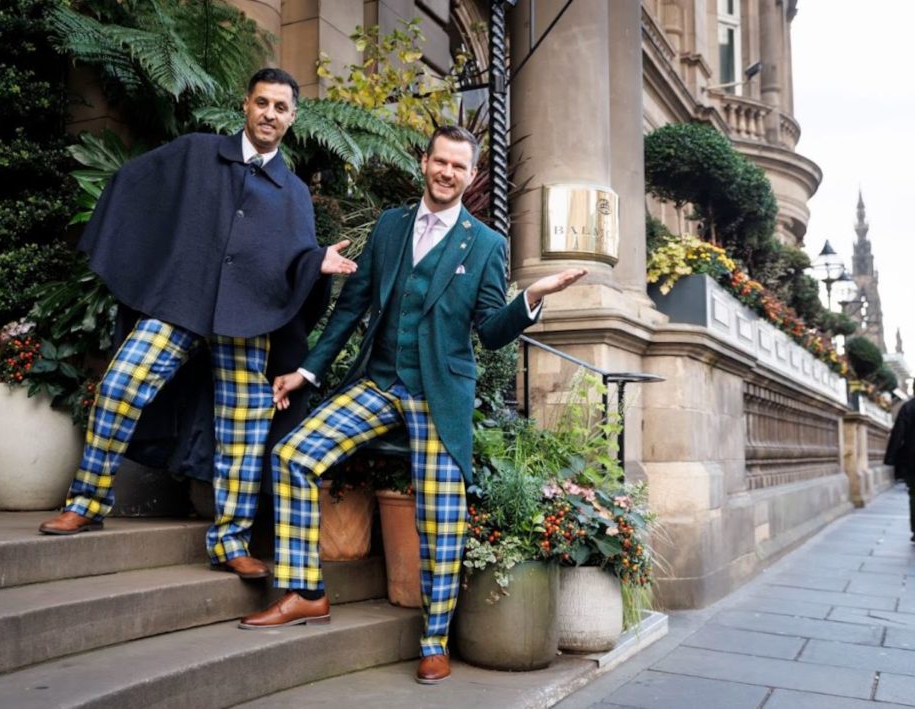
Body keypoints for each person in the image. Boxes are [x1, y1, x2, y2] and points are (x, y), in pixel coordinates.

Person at [237, 125, 586, 683]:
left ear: (470, 176)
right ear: (424, 163)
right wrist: (306, 370)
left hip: (437, 397)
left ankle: (434, 640)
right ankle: (306, 591)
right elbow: (351, 307)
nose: (447, 173)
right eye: (440, 162)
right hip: (379, 383)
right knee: (292, 456)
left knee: (442, 519)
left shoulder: (487, 244)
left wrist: (532, 299)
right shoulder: (391, 226)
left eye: (459, 167)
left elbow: (492, 332)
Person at [38, 68, 358, 582]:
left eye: (281, 107)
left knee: (244, 430)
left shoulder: (294, 192)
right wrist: (144, 249)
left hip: (248, 318)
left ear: (293, 117)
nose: (270, 114)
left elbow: (291, 259)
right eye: (262, 103)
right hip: (181, 300)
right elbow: (137, 186)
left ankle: (230, 541)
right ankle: (87, 501)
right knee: (121, 386)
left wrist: (315, 263)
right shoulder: (196, 152)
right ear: (246, 105)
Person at [884, 397, 915, 542]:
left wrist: (890, 457)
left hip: (912, 459)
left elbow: (898, 433)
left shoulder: (908, 407)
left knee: (914, 495)